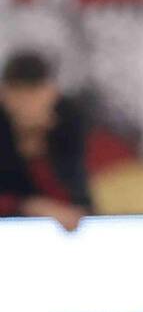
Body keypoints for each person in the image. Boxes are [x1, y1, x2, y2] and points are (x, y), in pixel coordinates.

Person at [0, 51, 90, 231]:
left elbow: (75, 198)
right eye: (19, 93)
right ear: (4, 94)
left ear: (52, 92)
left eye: (34, 92)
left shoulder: (68, 119)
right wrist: (30, 206)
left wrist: (38, 143)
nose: (28, 102)